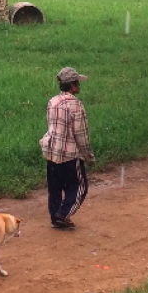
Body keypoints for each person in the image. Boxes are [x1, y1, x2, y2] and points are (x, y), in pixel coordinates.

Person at [39, 67, 93, 229]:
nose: (79, 86)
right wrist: (88, 156)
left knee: (55, 188)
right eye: (78, 83)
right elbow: (81, 135)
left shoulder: (52, 102)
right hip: (70, 155)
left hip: (51, 152)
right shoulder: (77, 105)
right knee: (79, 187)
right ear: (73, 85)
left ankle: (56, 217)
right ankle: (62, 214)